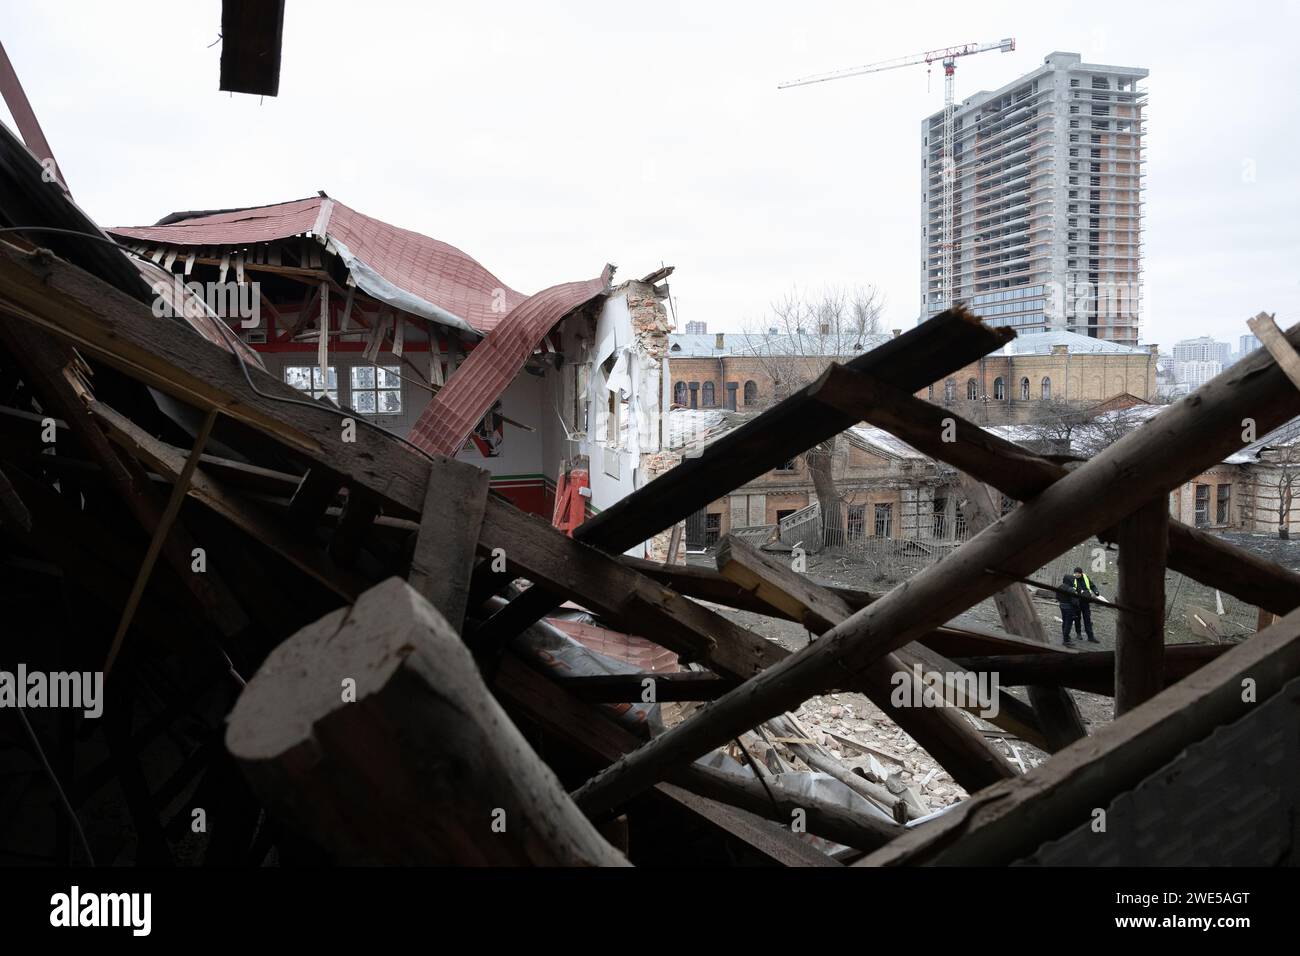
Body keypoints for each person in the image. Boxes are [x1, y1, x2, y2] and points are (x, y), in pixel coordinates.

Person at [1071, 566, 1101, 644]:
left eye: (1078, 573)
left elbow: (1092, 586)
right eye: (1075, 573)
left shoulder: (1086, 577)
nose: (1077, 574)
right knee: (1077, 618)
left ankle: (1090, 636)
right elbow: (1070, 589)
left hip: (1086, 602)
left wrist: (1096, 591)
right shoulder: (1072, 579)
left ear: (1081, 573)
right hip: (1077, 602)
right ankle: (1078, 634)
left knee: (1087, 619)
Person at [1057, 573, 1080, 646]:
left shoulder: (1060, 587)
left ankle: (1066, 636)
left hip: (1062, 606)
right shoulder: (1071, 590)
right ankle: (1066, 640)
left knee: (1064, 621)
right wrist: (1077, 608)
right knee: (1068, 624)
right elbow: (1075, 602)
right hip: (1069, 608)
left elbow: (1057, 597)